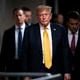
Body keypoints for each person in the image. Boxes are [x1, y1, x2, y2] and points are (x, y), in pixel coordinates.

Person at [22, 5, 71, 80]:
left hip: (57, 71)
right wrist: (26, 74)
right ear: (37, 17)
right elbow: (24, 53)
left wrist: (67, 71)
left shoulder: (60, 30)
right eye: (41, 15)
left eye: (46, 14)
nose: (44, 17)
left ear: (50, 16)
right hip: (35, 72)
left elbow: (65, 51)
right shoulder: (29, 31)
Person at [0, 8, 27, 80]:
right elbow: (3, 52)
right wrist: (1, 71)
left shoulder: (31, 31)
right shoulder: (8, 32)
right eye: (16, 15)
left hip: (27, 66)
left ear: (24, 16)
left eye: (20, 15)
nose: (18, 17)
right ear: (13, 17)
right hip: (12, 66)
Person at [65, 11, 80, 80]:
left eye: (76, 24)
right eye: (72, 24)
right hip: (65, 73)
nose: (74, 26)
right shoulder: (62, 33)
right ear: (67, 23)